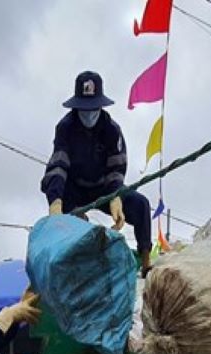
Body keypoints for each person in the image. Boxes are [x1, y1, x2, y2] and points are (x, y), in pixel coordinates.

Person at [41, 70, 153, 276]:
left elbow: (116, 168)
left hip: (104, 189)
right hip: (74, 189)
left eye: (93, 109)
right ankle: (73, 260)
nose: (89, 114)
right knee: (63, 207)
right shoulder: (65, 128)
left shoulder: (111, 130)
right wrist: (55, 201)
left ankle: (146, 262)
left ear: (101, 106)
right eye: (84, 109)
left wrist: (115, 196)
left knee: (141, 205)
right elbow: (58, 166)